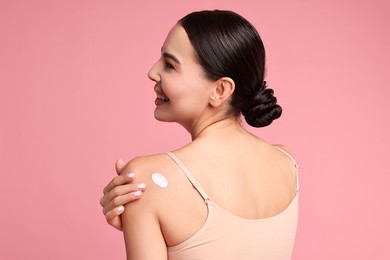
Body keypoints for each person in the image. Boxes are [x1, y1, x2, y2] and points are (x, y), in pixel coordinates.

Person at [100, 10, 299, 259]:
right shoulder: (286, 163)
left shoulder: (145, 181)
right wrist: (138, 223)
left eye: (170, 65)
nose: (152, 72)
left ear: (220, 89)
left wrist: (139, 217)